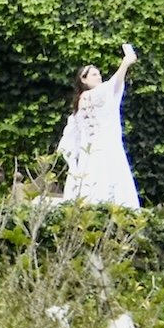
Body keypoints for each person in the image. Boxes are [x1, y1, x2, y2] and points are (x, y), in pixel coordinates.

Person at [57, 42, 141, 208]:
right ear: (83, 79)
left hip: (105, 150)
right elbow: (111, 86)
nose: (98, 76)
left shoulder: (95, 98)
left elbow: (113, 88)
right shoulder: (88, 97)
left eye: (99, 74)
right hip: (99, 154)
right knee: (103, 190)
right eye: (94, 74)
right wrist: (125, 62)